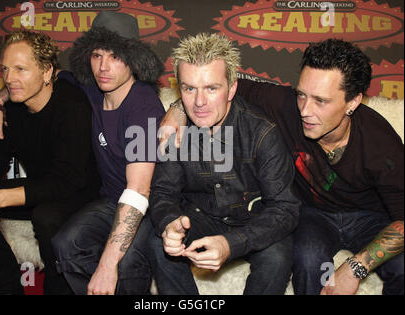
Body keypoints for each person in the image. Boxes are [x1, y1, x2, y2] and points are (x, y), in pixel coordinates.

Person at [161, 38, 404, 295]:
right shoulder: (284, 105)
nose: (305, 110)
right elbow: (216, 85)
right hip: (313, 215)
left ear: (353, 102)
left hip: (369, 219)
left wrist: (356, 266)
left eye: (321, 101)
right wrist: (178, 110)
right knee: (307, 259)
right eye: (302, 95)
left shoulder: (382, 144)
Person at [0, 11, 165, 295]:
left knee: (125, 266)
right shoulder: (90, 87)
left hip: (147, 206)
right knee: (65, 243)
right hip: (108, 199)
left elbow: (139, 191)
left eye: (115, 56)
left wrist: (107, 265)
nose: (103, 67)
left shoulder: (144, 108)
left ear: (134, 59)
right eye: (97, 55)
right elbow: (31, 81)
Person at [148, 33, 300, 295]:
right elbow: (163, 192)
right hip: (200, 217)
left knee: (277, 258)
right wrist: (169, 223)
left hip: (255, 221)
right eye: (189, 88)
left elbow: (285, 208)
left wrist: (232, 243)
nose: (199, 102)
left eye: (211, 88)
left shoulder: (262, 132)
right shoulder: (177, 131)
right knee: (155, 241)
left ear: (231, 88)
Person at [0, 30, 100, 295]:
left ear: (47, 73)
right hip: (41, 187)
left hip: (81, 192)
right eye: (5, 69)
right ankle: (6, 287)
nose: (9, 79)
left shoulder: (72, 105)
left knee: (46, 216)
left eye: (20, 69)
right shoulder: (12, 106)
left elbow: (67, 180)